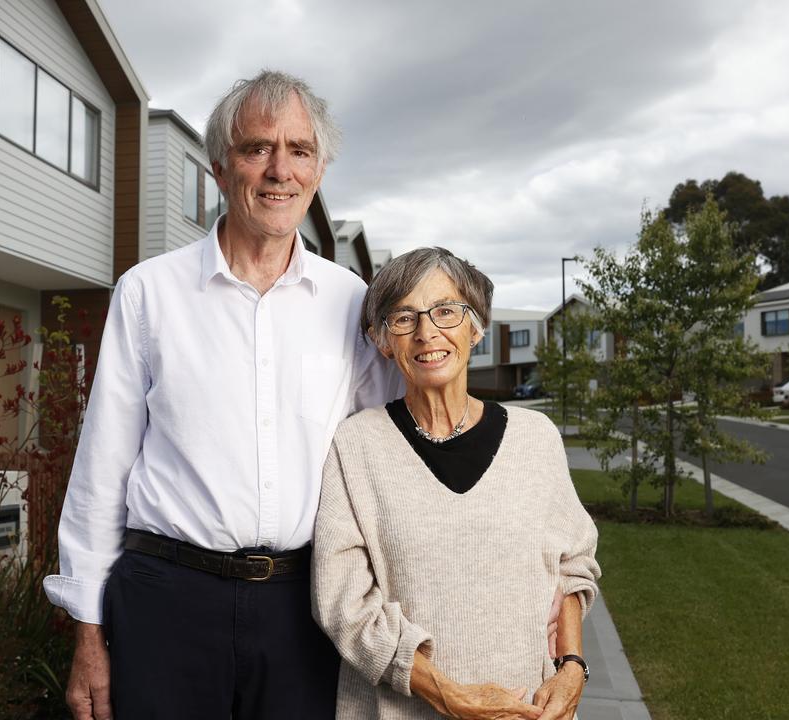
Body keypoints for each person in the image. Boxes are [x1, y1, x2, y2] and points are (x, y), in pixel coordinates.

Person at [42, 70, 404, 719]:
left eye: (298, 150)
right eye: (256, 148)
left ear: (319, 170)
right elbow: (102, 468)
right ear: (219, 167)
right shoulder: (148, 293)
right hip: (165, 601)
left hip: (305, 606)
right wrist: (88, 635)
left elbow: (385, 457)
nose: (278, 169)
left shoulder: (351, 302)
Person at [311, 247, 601, 720]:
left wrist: (571, 666)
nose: (428, 333)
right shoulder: (356, 445)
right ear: (383, 341)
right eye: (404, 318)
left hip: (527, 710)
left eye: (446, 311)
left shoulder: (536, 440)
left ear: (476, 326)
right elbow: (343, 604)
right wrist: (449, 695)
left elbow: (574, 564)